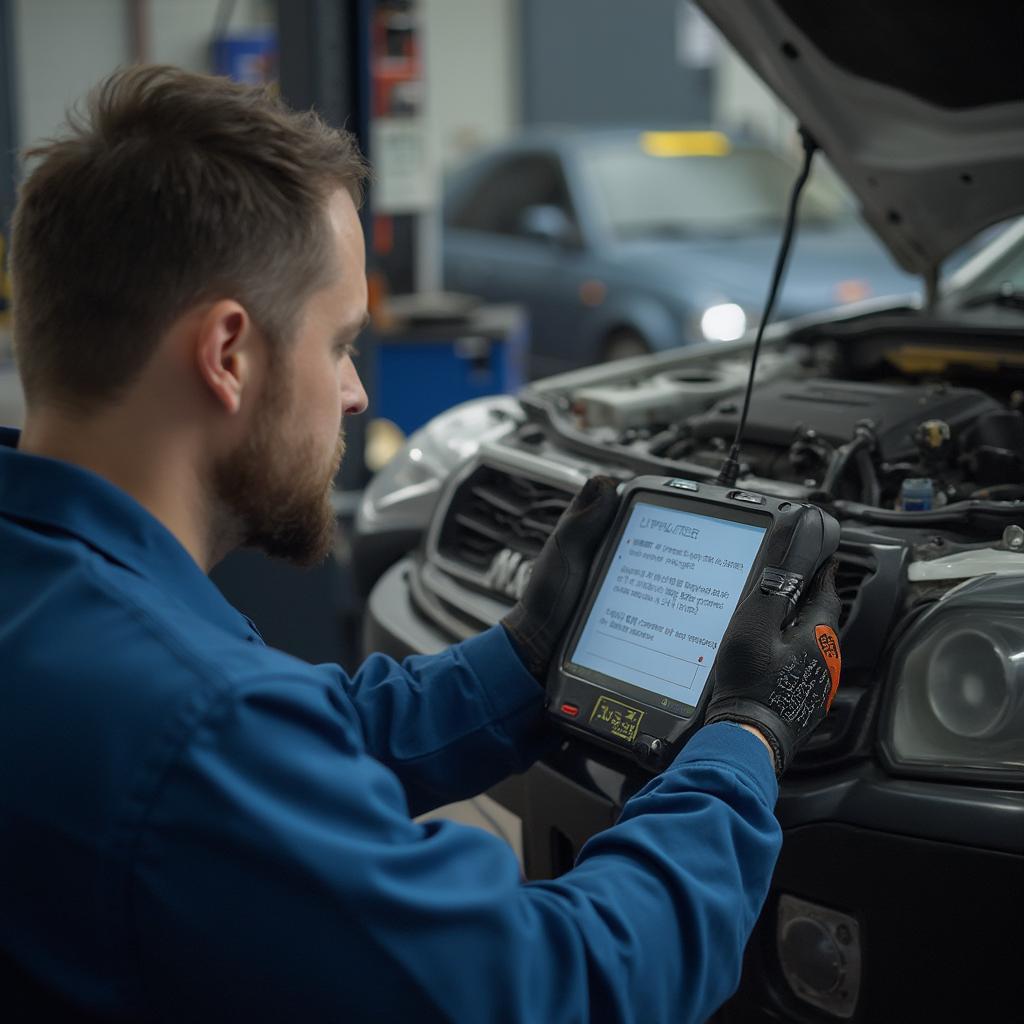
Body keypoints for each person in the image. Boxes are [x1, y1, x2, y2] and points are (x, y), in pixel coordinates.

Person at [0, 66, 841, 1023]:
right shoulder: (189, 725)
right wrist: (743, 740)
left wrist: (522, 663)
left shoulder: (56, 597)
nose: (356, 393)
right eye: (339, 344)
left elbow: (292, 754)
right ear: (228, 355)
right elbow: (552, 990)